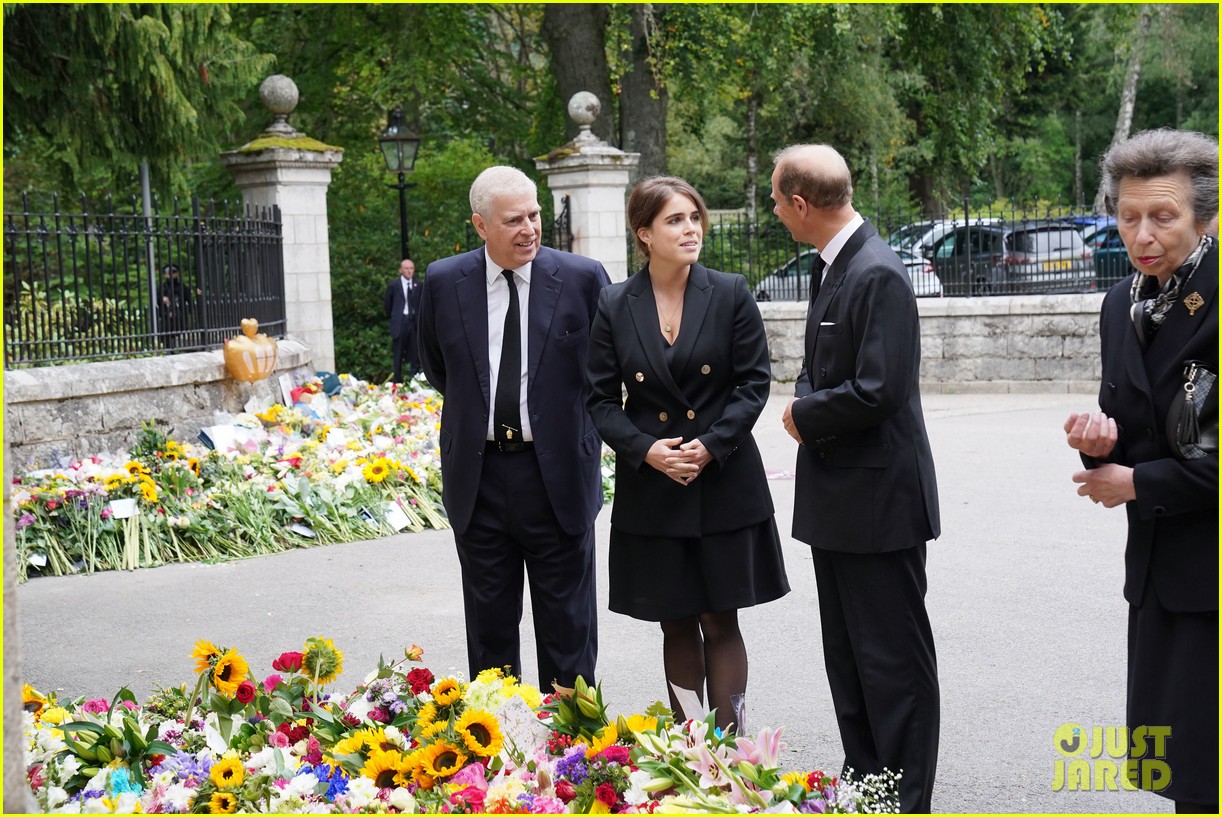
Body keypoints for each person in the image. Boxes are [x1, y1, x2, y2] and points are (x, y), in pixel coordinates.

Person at [586, 176, 789, 734]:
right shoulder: (614, 303)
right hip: (654, 486)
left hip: (722, 478)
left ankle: (731, 751)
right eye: (675, 220)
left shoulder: (730, 292)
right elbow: (599, 400)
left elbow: (754, 383)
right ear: (644, 233)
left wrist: (712, 444)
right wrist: (646, 450)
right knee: (675, 624)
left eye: (695, 217)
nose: (691, 229)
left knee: (721, 620)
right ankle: (692, 749)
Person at [772, 144, 941, 812]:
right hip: (842, 497)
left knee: (892, 660)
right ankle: (867, 782)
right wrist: (806, 398)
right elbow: (820, 366)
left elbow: (880, 389)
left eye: (778, 201)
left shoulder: (877, 272)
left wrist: (804, 414)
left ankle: (905, 796)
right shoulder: (834, 264)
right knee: (848, 655)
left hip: (879, 502)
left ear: (801, 204)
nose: (776, 213)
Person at [1064, 128, 1218, 814]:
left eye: (1163, 216)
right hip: (1160, 571)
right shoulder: (1120, 303)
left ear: (1204, 217)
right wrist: (1096, 446)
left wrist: (1135, 483)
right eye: (1128, 217)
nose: (1142, 235)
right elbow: (1135, 426)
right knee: (1181, 770)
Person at [416, 166, 610, 690]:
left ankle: (571, 735)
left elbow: (606, 370)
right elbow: (441, 368)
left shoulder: (582, 278)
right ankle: (501, 738)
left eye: (534, 215)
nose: (529, 229)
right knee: (489, 636)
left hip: (558, 479)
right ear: (480, 225)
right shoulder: (443, 282)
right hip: (478, 480)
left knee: (568, 631)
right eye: (513, 220)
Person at [385, 258, 422, 382]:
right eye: (406, 268)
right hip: (400, 322)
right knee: (398, 354)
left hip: (414, 322)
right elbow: (388, 305)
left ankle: (413, 380)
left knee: (415, 353)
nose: (409, 271)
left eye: (411, 268)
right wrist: (394, 318)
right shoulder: (394, 285)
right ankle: (397, 381)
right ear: (400, 270)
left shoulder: (418, 285)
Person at [157, 263, 193, 348]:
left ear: (177, 273)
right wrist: (162, 300)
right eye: (168, 272)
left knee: (181, 340)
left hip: (180, 319)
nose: (170, 274)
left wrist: (179, 312)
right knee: (165, 338)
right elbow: (157, 304)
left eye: (173, 272)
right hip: (166, 320)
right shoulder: (162, 288)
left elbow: (189, 303)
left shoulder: (183, 288)